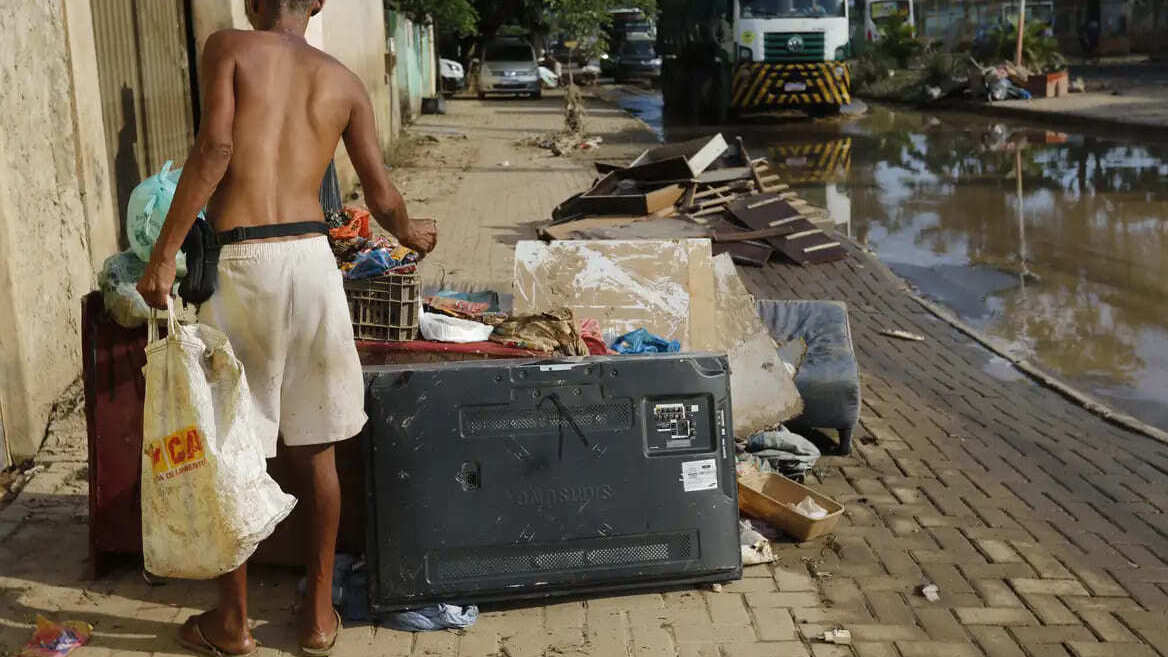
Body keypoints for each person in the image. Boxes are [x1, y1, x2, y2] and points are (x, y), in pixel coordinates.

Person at [136, 1, 437, 655]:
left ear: (252, 3)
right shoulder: (344, 81)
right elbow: (382, 198)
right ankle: (319, 616)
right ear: (319, 5)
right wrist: (415, 234)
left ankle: (232, 622)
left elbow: (216, 146)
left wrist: (164, 255)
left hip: (244, 265)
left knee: (234, 444)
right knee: (317, 447)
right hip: (311, 263)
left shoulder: (229, 47)